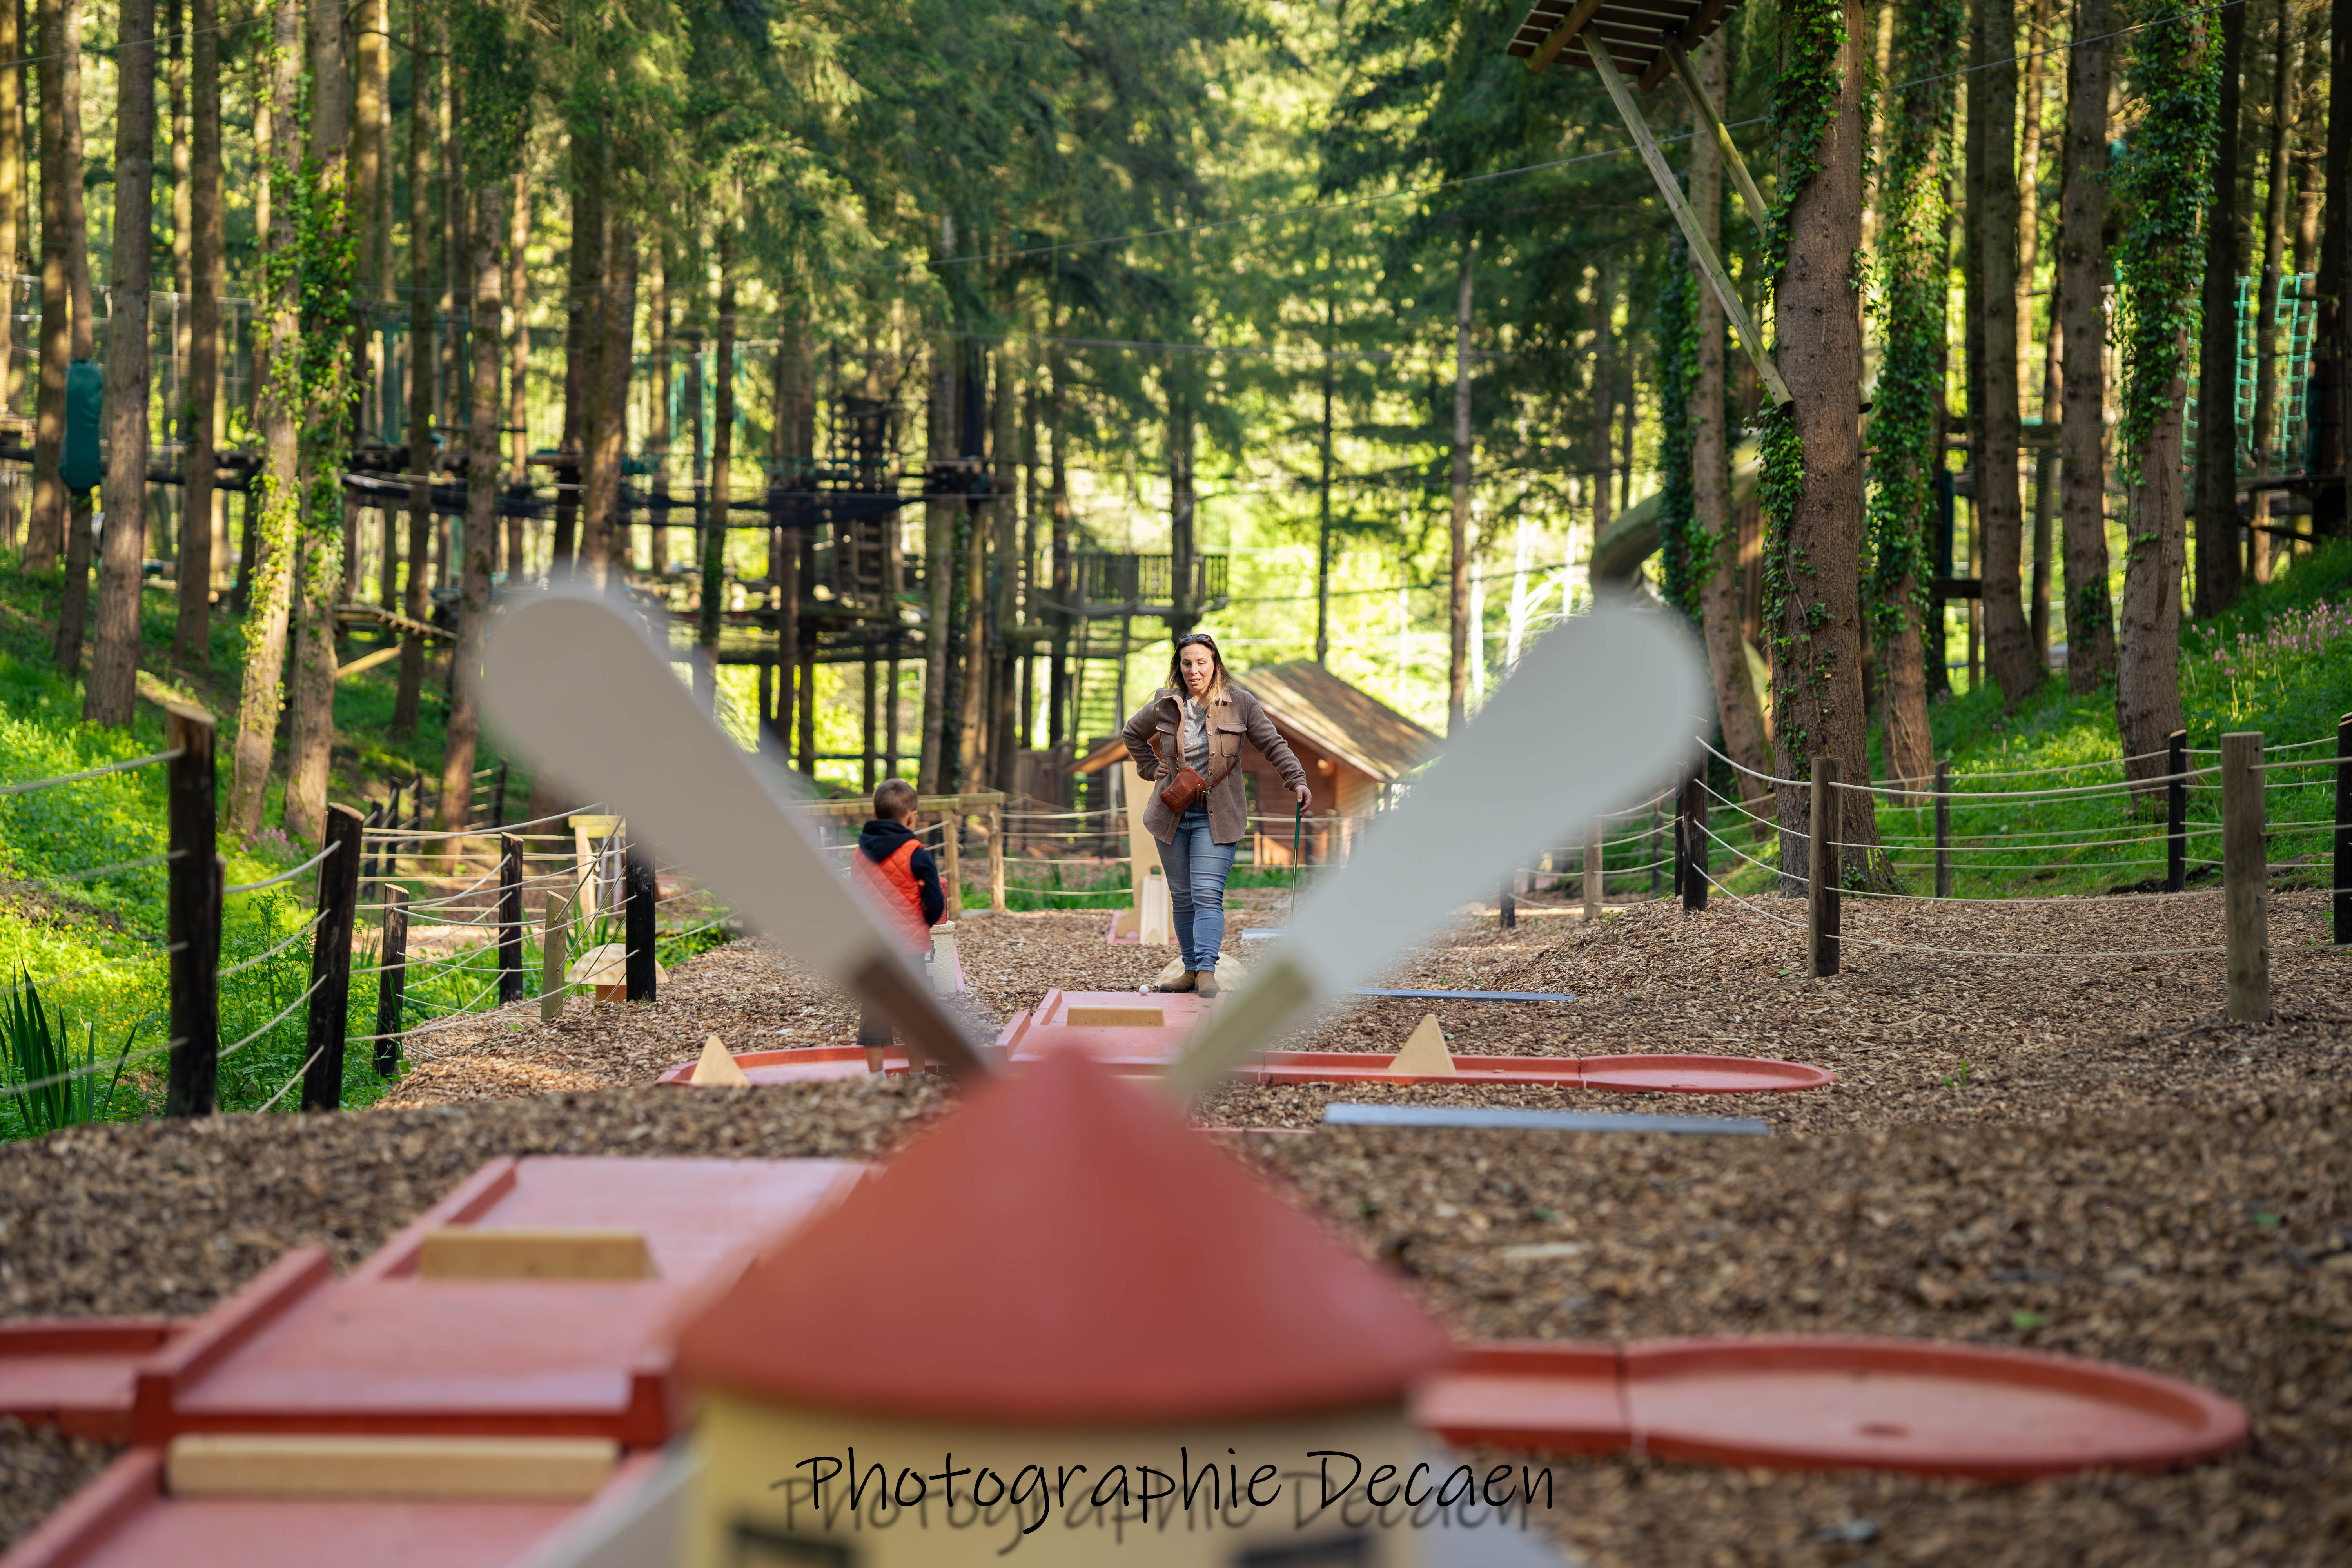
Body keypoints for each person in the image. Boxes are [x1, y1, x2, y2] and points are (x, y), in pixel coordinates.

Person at [1120, 632, 1310, 997]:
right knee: (1183, 896)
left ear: (1215, 664)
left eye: (1201, 662)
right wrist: (1150, 767)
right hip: (1170, 813)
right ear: (1179, 667)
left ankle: (1207, 971)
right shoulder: (1165, 702)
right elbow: (1132, 734)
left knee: (1207, 893)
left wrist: (1297, 779)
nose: (1194, 670)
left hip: (1216, 815)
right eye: (1187, 663)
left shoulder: (1241, 704)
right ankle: (1189, 970)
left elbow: (1273, 744)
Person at [848, 778, 946, 1071]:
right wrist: (922, 924)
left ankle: (876, 1077)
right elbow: (936, 901)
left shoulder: (858, 854)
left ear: (875, 814)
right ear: (912, 817)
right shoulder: (917, 853)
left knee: (875, 1011)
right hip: (909, 947)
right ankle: (917, 1075)